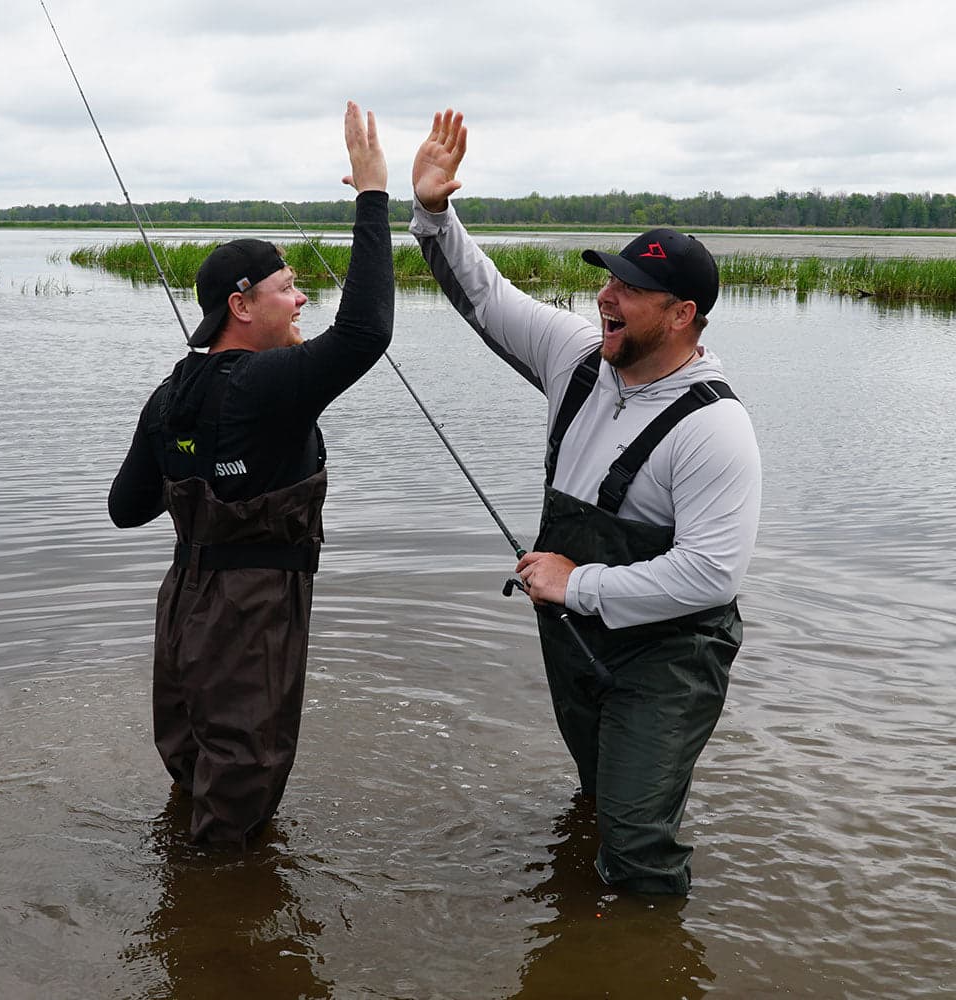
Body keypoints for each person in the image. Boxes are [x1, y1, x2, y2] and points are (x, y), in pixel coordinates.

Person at [410, 109, 761, 894]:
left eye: (630, 289)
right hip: (574, 640)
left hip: (669, 656)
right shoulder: (574, 356)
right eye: (608, 279)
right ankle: (594, 941)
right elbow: (484, 296)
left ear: (682, 315)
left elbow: (712, 575)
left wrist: (578, 584)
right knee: (599, 797)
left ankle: (646, 931)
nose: (606, 296)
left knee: (635, 846)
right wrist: (433, 213)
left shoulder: (717, 428)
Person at [108, 101, 393, 846]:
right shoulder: (269, 385)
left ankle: (184, 890)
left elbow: (126, 508)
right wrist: (372, 194)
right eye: (288, 287)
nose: (302, 299)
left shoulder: (169, 393)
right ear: (241, 305)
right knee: (237, 804)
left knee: (195, 772)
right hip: (250, 619)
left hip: (183, 609)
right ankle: (217, 910)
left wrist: (196, 455)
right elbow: (366, 332)